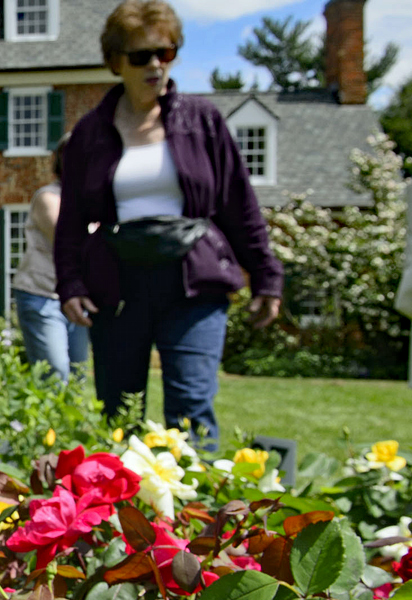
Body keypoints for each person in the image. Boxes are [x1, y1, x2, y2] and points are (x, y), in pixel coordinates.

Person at [53, 0, 283, 450]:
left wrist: (267, 277)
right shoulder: (89, 134)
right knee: (118, 413)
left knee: (191, 409)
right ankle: (122, 518)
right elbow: (73, 221)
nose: (156, 65)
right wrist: (71, 284)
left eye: (166, 52)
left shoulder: (204, 121)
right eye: (142, 56)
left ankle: (201, 518)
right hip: (117, 288)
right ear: (117, 62)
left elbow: (240, 205)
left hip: (194, 283)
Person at [12, 136, 90, 383]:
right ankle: (46, 423)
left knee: (77, 375)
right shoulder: (48, 197)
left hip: (77, 298)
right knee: (55, 374)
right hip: (41, 295)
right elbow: (66, 237)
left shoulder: (92, 201)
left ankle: (68, 423)